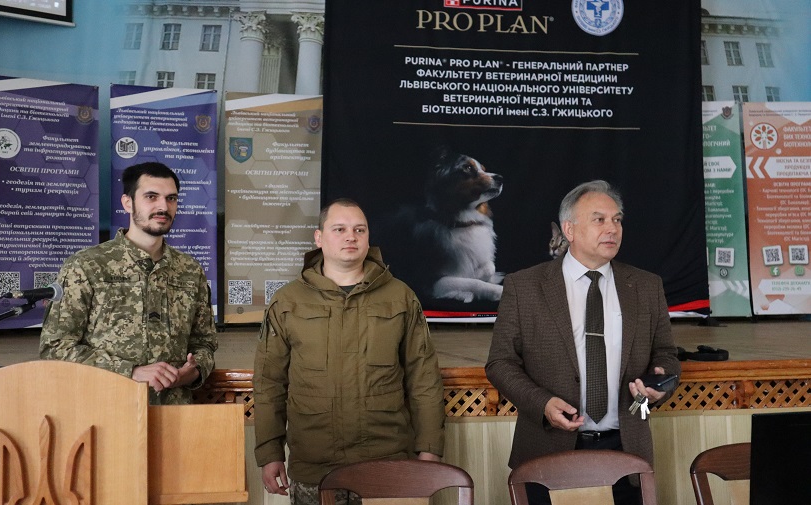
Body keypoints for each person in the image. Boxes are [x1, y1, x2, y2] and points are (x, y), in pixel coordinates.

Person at [485, 180, 680, 505]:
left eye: (617, 220)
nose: (612, 229)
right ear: (569, 230)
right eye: (599, 219)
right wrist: (542, 404)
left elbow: (667, 355)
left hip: (627, 451)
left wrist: (660, 384)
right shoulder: (525, 286)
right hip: (548, 449)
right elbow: (500, 363)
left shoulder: (646, 286)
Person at [253, 198, 445, 505]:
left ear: (368, 238)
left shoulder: (400, 297)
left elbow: (424, 380)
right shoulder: (288, 301)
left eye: (359, 230)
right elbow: (269, 383)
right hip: (314, 467)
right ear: (319, 237)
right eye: (339, 229)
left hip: (386, 463)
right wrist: (269, 452)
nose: (350, 237)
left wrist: (430, 448)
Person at [40, 162, 217, 405]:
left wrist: (193, 372)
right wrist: (130, 371)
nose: (163, 207)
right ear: (127, 202)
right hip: (107, 410)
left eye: (171, 198)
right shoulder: (87, 265)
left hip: (174, 413)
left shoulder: (190, 271)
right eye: (151, 197)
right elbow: (55, 348)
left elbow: (205, 343)